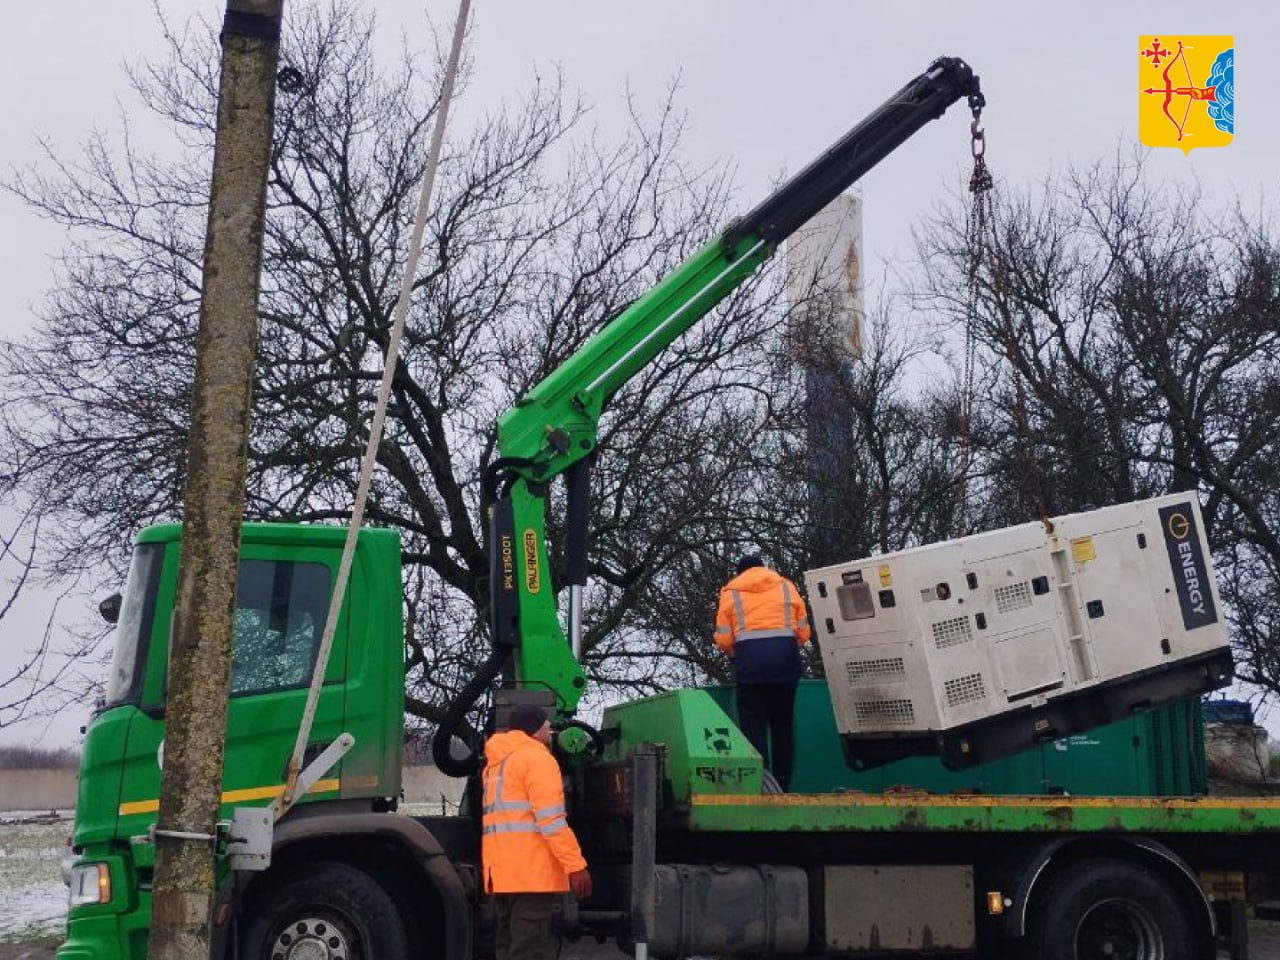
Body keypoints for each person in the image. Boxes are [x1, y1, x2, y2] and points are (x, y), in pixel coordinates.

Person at [482, 703, 593, 960]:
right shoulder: (537, 759)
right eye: (546, 727)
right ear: (534, 730)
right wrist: (575, 866)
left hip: (502, 873)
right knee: (528, 950)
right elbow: (551, 820)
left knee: (507, 947)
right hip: (532, 873)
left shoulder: (495, 765)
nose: (549, 732)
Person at [714, 554, 811, 791]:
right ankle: (783, 786)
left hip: (750, 668)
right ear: (764, 568)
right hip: (785, 665)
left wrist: (736, 653)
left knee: (753, 726)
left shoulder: (731, 593)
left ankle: (761, 786)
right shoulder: (787, 587)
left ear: (740, 573)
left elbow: (724, 640)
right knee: (782, 727)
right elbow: (804, 633)